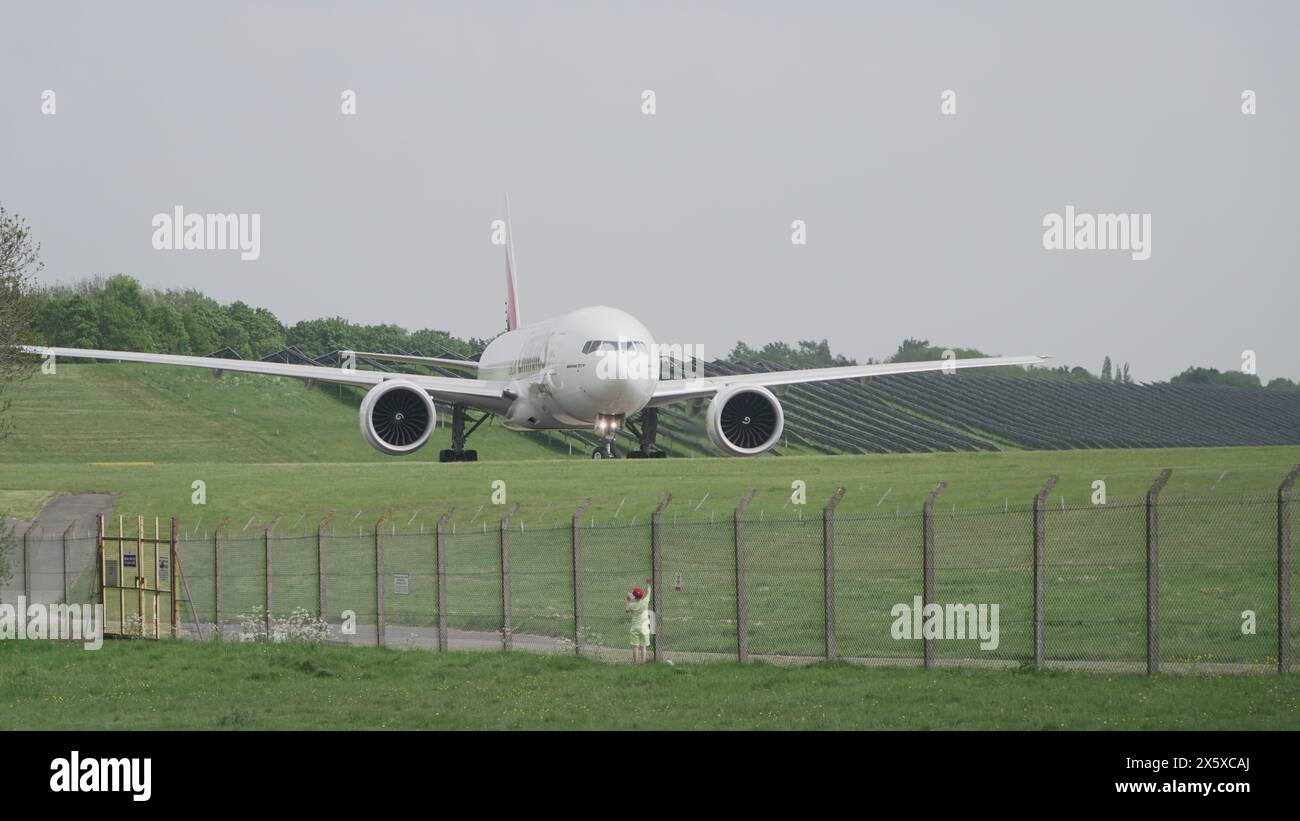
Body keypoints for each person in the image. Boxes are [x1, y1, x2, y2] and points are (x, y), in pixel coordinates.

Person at [625, 578, 653, 663]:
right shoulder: (645, 602)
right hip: (644, 628)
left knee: (635, 647)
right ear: (642, 595)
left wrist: (628, 598)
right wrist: (648, 585)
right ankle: (643, 663)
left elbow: (626, 610)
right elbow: (649, 593)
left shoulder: (632, 605)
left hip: (635, 628)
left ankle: (636, 663)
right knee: (643, 647)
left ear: (634, 596)